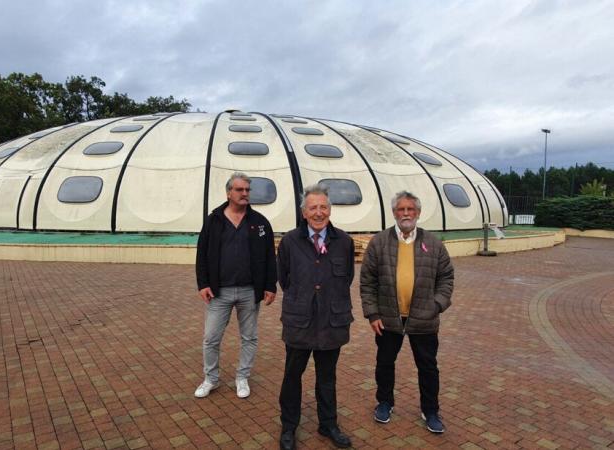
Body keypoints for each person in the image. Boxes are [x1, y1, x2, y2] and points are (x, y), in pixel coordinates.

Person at [360, 191, 454, 434]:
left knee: (428, 367)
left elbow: (446, 278)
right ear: (394, 212)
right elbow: (367, 281)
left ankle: (430, 410)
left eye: (410, 209)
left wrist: (436, 305)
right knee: (384, 363)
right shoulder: (379, 242)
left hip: (424, 319)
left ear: (418, 213)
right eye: (401, 209)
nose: (406, 214)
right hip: (388, 318)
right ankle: (384, 402)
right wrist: (372, 313)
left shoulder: (433, 243)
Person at [277, 184, 355, 450]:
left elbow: (346, 279)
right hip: (300, 320)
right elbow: (284, 279)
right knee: (292, 376)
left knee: (327, 377)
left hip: (332, 321)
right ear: (304, 212)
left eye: (323, 207)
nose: (319, 212)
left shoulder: (344, 242)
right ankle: (288, 427)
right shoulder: (289, 241)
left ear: (330, 210)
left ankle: (328, 424)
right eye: (313, 208)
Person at [195, 172, 277, 399]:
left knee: (249, 337)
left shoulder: (259, 222)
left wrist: (270, 285)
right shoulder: (214, 220)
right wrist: (203, 283)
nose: (244, 194)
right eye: (240, 190)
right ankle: (210, 379)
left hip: (250, 291)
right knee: (211, 338)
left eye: (247, 190)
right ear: (229, 192)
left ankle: (242, 377)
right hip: (219, 292)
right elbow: (202, 253)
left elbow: (271, 256)